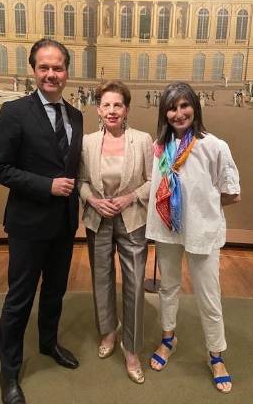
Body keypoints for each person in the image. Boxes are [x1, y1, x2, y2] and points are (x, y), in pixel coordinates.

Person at [0, 38, 83, 404]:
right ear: (33, 70)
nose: (51, 74)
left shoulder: (75, 115)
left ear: (66, 72)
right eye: (44, 67)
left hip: (63, 225)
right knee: (19, 298)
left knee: (55, 291)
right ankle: (9, 371)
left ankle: (48, 343)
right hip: (28, 225)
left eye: (57, 67)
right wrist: (47, 186)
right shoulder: (14, 112)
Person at [146, 82, 241, 394]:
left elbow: (230, 193)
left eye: (185, 105)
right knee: (168, 287)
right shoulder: (160, 148)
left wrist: (200, 211)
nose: (179, 113)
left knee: (208, 295)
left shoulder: (214, 145)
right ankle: (168, 338)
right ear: (165, 113)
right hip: (167, 230)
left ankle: (216, 355)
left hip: (201, 232)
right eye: (172, 108)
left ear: (195, 108)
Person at [78, 80, 153, 384]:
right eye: (106, 105)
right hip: (98, 219)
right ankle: (108, 331)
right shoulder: (87, 143)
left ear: (127, 109)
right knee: (102, 279)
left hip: (132, 220)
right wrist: (92, 200)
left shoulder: (143, 140)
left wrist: (129, 197)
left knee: (134, 285)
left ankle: (131, 349)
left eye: (117, 105)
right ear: (98, 109)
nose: (112, 110)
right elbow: (81, 181)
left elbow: (152, 181)